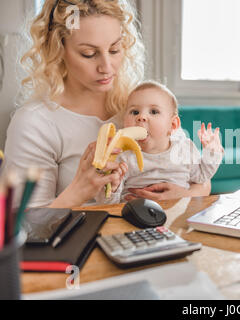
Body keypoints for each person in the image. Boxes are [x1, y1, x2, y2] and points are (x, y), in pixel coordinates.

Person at [3, 0, 211, 209]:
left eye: (114, 49)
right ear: (58, 49)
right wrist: (80, 190)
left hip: (153, 236)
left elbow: (201, 181)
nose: (106, 67)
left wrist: (185, 193)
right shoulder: (34, 123)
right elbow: (24, 228)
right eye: (89, 54)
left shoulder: (139, 105)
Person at [96, 81, 224, 204]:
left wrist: (213, 152)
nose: (141, 117)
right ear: (124, 122)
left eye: (153, 111)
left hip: (179, 209)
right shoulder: (123, 157)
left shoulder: (184, 148)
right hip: (135, 215)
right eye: (134, 112)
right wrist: (112, 188)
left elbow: (201, 177)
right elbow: (107, 203)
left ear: (173, 125)